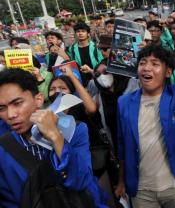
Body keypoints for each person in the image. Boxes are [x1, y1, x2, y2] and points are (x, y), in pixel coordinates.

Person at [115, 10, 175, 207]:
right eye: (142, 63)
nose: (147, 68)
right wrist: (123, 180)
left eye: (155, 64)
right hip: (141, 191)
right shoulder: (124, 103)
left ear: (168, 72)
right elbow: (123, 146)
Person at [0, 68, 107, 207]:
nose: (10, 114)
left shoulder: (75, 130)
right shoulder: (4, 146)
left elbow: (81, 180)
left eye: (17, 103)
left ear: (38, 99)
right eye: (2, 108)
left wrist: (56, 137)